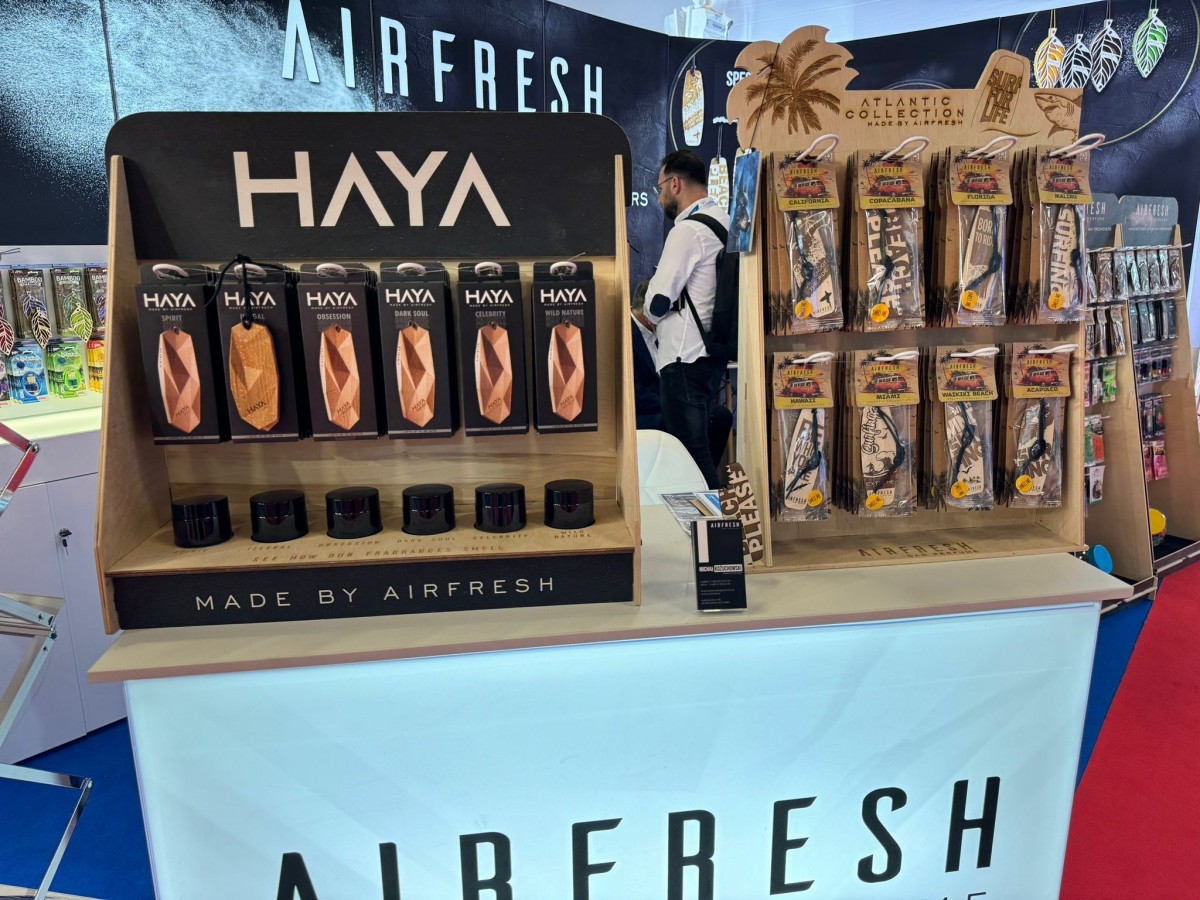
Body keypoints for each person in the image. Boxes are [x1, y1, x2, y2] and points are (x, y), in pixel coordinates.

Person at [644, 149, 731, 488]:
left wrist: (650, 304)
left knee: (689, 457)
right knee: (697, 450)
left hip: (683, 358)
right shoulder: (724, 222)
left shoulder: (687, 231)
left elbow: (657, 303)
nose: (659, 198)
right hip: (712, 354)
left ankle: (713, 520)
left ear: (675, 184)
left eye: (660, 188)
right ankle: (712, 517)